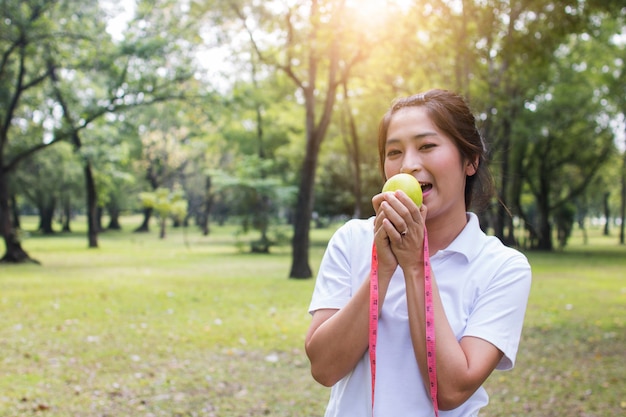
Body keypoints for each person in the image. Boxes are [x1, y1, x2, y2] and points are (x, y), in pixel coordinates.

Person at [305, 89, 532, 417]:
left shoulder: (503, 268)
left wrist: (414, 267)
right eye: (394, 151)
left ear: (471, 161)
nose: (409, 165)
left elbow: (452, 390)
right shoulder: (353, 240)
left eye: (427, 146)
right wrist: (382, 269)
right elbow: (324, 369)